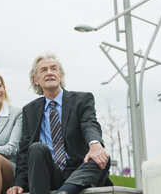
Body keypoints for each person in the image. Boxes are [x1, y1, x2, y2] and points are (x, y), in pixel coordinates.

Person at [7, 53, 112, 194]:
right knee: (36, 148)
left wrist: (94, 144)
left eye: (54, 69)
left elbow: (89, 124)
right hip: (48, 173)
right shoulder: (29, 110)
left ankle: (64, 191)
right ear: (36, 80)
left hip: (79, 171)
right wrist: (19, 183)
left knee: (101, 157)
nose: (49, 73)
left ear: (60, 76)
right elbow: (24, 151)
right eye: (43, 70)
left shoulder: (82, 99)